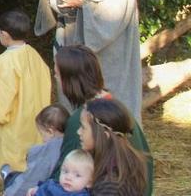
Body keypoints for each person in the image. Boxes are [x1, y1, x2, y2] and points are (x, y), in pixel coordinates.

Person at [49, 45, 153, 195]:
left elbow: (64, 179)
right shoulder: (116, 108)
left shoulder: (82, 120)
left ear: (70, 80)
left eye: (57, 74)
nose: (55, 78)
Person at [0, 10, 52, 175]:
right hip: (35, 117)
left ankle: (9, 174)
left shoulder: (5, 62)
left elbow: (2, 100)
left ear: (4, 35)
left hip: (14, 121)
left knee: (12, 152)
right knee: (31, 148)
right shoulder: (34, 55)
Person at [79, 98, 149, 196]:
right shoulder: (121, 162)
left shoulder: (110, 186)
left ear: (104, 135)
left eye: (83, 127)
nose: (78, 132)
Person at [3, 104, 70, 196]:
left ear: (50, 132)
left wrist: (9, 194)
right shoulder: (69, 142)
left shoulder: (48, 153)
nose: (42, 139)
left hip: (41, 187)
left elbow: (30, 179)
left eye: (42, 134)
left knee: (14, 178)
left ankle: (8, 176)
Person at [28, 150, 93, 196]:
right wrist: (36, 190)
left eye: (77, 175)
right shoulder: (51, 185)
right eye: (65, 171)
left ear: (89, 183)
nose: (68, 177)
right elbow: (40, 190)